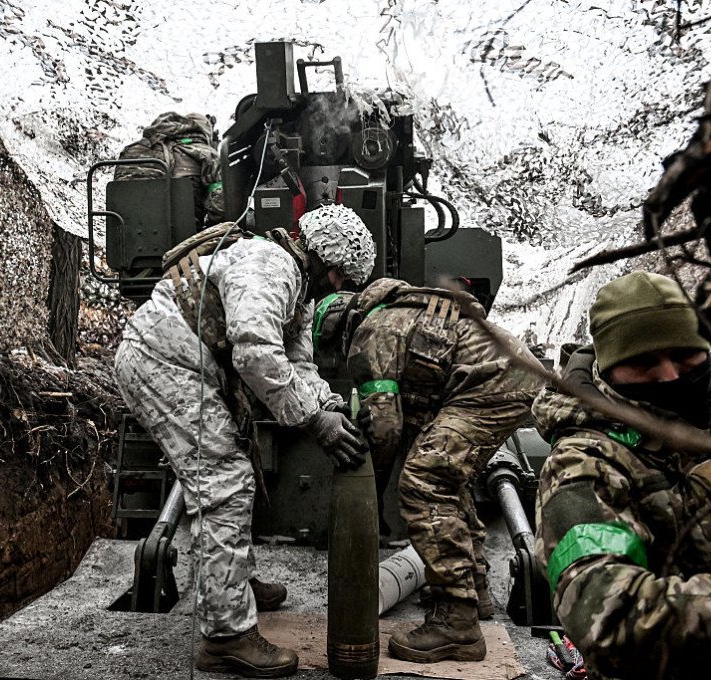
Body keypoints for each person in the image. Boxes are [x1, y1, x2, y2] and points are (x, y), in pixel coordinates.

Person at [114, 204, 376, 678]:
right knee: (224, 483)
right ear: (325, 259)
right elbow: (255, 354)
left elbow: (297, 364)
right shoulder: (269, 265)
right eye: (340, 276)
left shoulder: (298, 291)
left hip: (191, 366)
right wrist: (314, 422)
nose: (337, 288)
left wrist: (330, 405)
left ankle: (233, 586)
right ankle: (225, 636)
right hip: (162, 362)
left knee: (235, 473)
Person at [312, 278, 545, 663]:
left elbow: (385, 428)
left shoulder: (369, 333)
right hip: (511, 379)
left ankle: (457, 622)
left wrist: (373, 494)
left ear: (337, 330)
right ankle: (474, 590)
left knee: (424, 482)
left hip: (490, 387)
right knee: (447, 480)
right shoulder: (400, 312)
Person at [532, 270, 711, 680]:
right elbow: (611, 619)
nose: (670, 376)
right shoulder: (582, 465)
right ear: (611, 370)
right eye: (644, 362)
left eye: (685, 355)